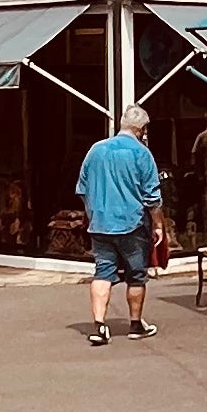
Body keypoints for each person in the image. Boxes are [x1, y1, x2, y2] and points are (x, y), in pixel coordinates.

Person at [75, 104, 162, 343]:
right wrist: (158, 225)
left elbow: (82, 189)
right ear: (142, 129)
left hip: (100, 223)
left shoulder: (96, 150)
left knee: (102, 272)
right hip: (131, 223)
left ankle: (99, 326)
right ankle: (135, 324)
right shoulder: (142, 153)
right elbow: (152, 196)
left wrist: (92, 212)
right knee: (136, 275)